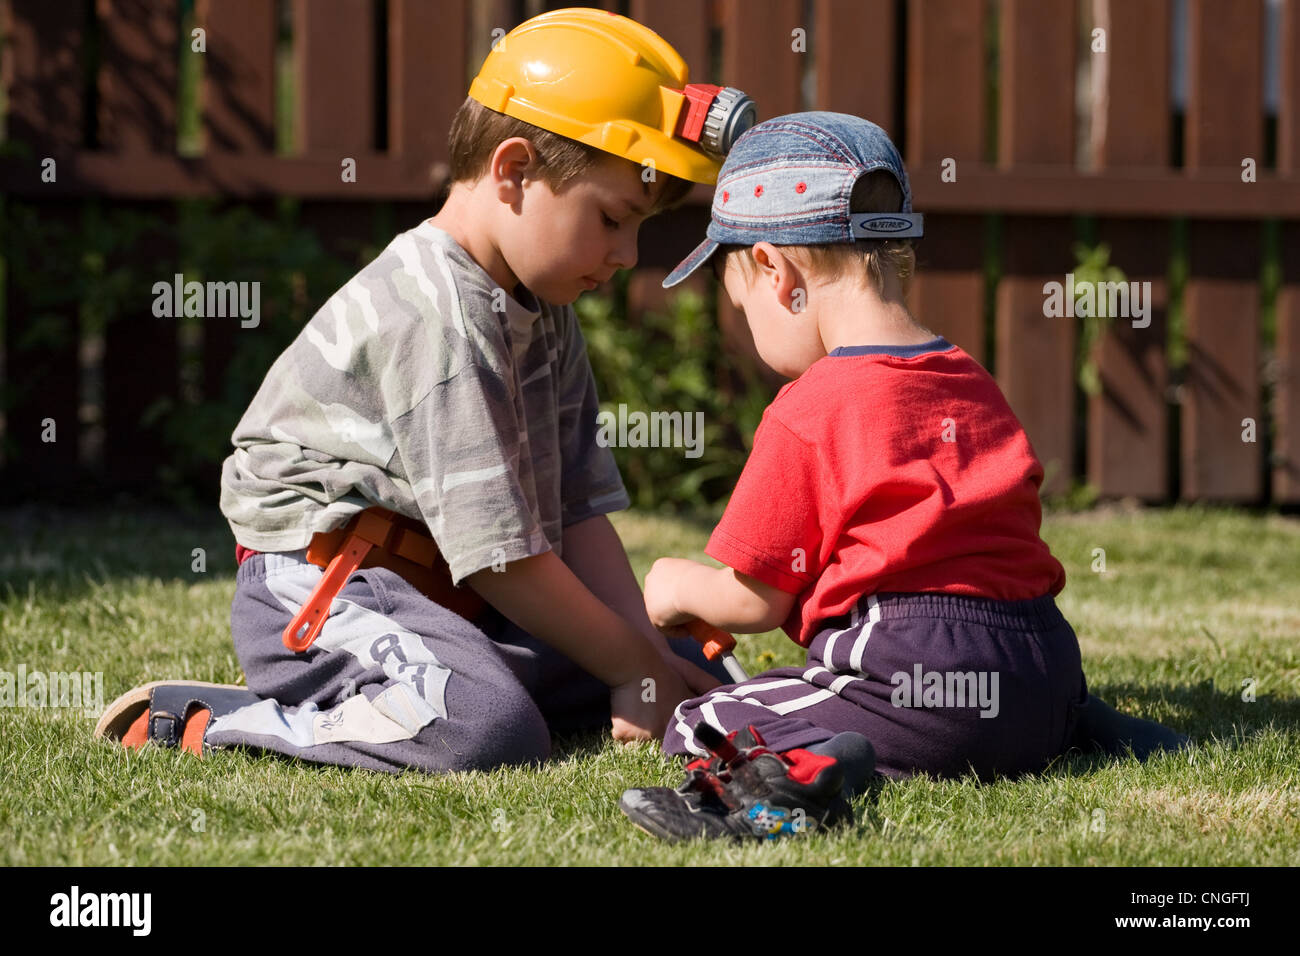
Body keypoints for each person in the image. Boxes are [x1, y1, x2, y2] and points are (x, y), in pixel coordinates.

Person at [93, 8, 761, 773]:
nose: (625, 254)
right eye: (612, 219)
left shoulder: (546, 307)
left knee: (688, 665)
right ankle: (213, 720)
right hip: (324, 590)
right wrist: (630, 671)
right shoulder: (434, 316)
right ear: (514, 171)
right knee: (487, 730)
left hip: (450, 599)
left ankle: (449, 681)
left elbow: (577, 515)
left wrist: (649, 663)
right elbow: (500, 562)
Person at [619, 111, 1188, 843]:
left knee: (705, 719)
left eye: (743, 310)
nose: (752, 335)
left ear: (774, 271)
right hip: (1042, 667)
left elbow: (754, 599)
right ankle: (1086, 726)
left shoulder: (810, 408)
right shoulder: (969, 376)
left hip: (918, 672)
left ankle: (819, 766)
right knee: (1018, 706)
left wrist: (672, 584)